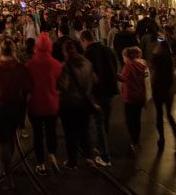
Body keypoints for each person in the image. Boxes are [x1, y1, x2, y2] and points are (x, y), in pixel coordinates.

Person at [0, 39, 33, 189]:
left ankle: (6, 168)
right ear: (13, 51)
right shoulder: (19, 67)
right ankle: (8, 165)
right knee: (10, 138)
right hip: (14, 109)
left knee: (2, 140)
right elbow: (28, 86)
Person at [25, 33, 62, 175]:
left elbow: (26, 84)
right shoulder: (56, 64)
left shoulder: (30, 64)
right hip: (52, 103)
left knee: (38, 134)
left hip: (34, 103)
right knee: (51, 131)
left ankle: (41, 164)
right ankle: (52, 154)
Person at [57, 40, 96, 170]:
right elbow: (94, 80)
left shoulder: (65, 67)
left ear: (65, 52)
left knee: (70, 133)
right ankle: (89, 157)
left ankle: (72, 161)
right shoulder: (87, 63)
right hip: (84, 103)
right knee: (84, 131)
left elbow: (63, 86)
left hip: (69, 104)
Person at [81, 29, 117, 167]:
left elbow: (88, 74)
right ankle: (102, 145)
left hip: (97, 92)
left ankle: (104, 155)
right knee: (105, 119)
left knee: (98, 122)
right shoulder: (107, 50)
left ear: (84, 40)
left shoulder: (88, 53)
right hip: (110, 89)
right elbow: (114, 68)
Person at [151, 37, 176, 150]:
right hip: (168, 89)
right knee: (169, 114)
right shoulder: (169, 58)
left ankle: (162, 138)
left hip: (158, 88)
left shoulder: (156, 58)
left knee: (159, 114)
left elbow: (154, 71)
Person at [116, 46, 147, 151]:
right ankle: (136, 140)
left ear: (126, 56)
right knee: (137, 119)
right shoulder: (140, 65)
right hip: (140, 96)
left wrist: (114, 74)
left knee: (130, 120)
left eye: (123, 56)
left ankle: (134, 141)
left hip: (130, 97)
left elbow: (124, 78)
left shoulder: (128, 66)